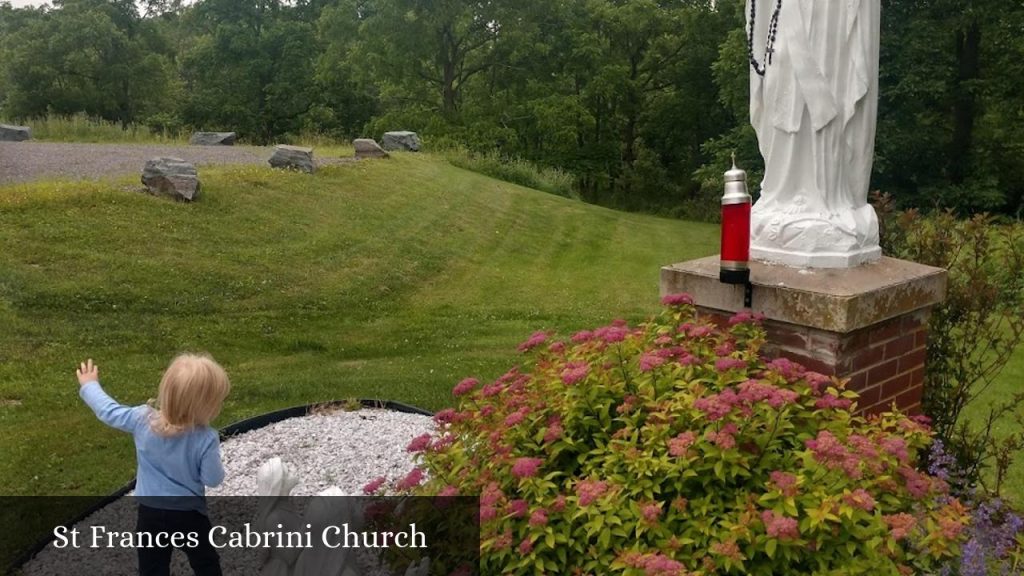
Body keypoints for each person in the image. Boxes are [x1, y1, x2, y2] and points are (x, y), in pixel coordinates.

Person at [746, 0, 882, 268]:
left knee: (828, 85)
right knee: (784, 84)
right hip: (788, 13)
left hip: (831, 14)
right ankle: (782, 193)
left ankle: (827, 199)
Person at [76, 354, 231, 576]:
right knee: (205, 563)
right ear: (206, 405)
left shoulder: (142, 419)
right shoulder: (206, 438)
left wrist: (90, 385)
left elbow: (108, 411)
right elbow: (212, 479)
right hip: (189, 515)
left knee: (152, 566)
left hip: (150, 513)